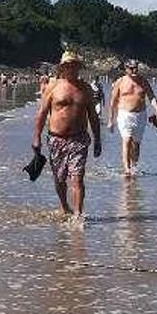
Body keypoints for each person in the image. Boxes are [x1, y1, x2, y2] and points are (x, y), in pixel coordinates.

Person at [32, 51, 101, 218]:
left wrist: (98, 139)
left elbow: (93, 115)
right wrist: (36, 137)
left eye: (74, 66)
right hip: (56, 138)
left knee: (77, 178)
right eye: (68, 66)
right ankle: (64, 207)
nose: (71, 69)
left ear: (78, 68)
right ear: (62, 68)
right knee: (59, 178)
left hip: (79, 139)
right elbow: (42, 112)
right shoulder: (53, 86)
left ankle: (78, 215)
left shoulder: (85, 88)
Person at [107, 59, 157, 176]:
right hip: (124, 114)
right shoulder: (120, 82)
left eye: (136, 68)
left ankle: (134, 167)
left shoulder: (143, 81)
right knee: (126, 140)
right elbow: (113, 101)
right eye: (131, 68)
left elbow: (151, 97)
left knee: (136, 144)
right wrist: (110, 120)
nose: (134, 70)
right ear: (126, 69)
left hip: (140, 115)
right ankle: (127, 168)